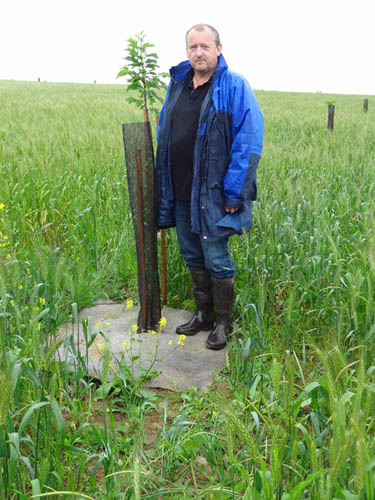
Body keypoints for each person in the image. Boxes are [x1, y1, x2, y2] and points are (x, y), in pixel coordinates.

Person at [155, 24, 264, 350]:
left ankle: (222, 323)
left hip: (214, 193)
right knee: (191, 253)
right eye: (193, 47)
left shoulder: (233, 86)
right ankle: (202, 314)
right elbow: (166, 129)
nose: (198, 53)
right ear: (187, 51)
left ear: (218, 48)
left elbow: (249, 141)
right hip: (180, 190)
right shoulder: (177, 84)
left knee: (216, 256)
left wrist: (235, 192)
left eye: (205, 46)